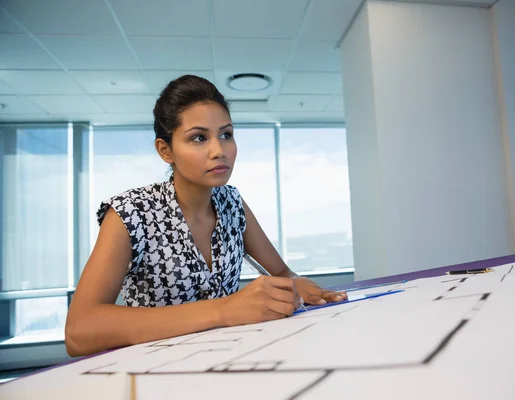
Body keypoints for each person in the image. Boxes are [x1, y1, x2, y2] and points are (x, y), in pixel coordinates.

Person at [65, 75, 347, 357]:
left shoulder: (232, 202)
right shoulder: (130, 212)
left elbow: (282, 272)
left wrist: (295, 286)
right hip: (156, 372)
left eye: (226, 135)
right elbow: (79, 331)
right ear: (166, 151)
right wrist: (224, 309)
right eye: (199, 138)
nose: (219, 151)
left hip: (232, 359)